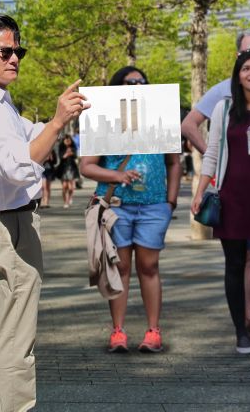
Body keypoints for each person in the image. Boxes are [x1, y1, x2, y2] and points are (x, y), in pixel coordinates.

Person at [0, 14, 87, 412]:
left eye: (19, 51)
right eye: (6, 51)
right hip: (5, 220)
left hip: (4, 218)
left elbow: (23, 138)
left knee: (4, 314)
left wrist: (52, 123)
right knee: (17, 330)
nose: (15, 58)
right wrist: (58, 121)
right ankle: (12, 406)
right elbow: (18, 167)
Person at [181, 30, 250, 347]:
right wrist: (202, 188)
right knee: (234, 264)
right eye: (247, 67)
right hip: (232, 195)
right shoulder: (224, 108)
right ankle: (241, 333)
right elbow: (214, 152)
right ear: (238, 73)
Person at [80, 66, 181, 354]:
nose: (135, 85)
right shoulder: (104, 119)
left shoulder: (161, 118)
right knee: (120, 267)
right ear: (117, 87)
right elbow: (86, 166)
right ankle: (118, 332)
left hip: (153, 207)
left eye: (140, 81)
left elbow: (174, 163)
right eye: (128, 82)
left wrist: (170, 201)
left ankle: (153, 331)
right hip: (116, 207)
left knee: (149, 267)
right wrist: (117, 176)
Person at [57, 134, 79, 208]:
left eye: (68, 140)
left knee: (70, 188)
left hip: (72, 169)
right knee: (64, 187)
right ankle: (65, 202)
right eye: (66, 140)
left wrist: (72, 153)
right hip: (63, 169)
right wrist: (66, 154)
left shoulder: (73, 147)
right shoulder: (61, 148)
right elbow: (61, 157)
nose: (67, 141)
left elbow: (76, 156)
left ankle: (70, 198)